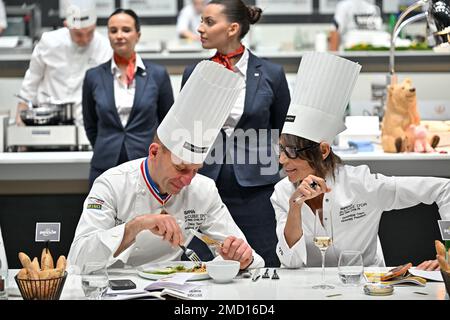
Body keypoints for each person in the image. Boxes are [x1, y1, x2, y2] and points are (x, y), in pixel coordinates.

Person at [68, 61, 264, 270]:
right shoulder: (112, 184)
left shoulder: (203, 189)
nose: (188, 180)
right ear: (154, 152)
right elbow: (79, 257)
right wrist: (136, 226)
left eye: (195, 170)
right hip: (114, 285)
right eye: (181, 168)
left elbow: (248, 256)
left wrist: (243, 257)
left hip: (175, 285)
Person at [271, 51, 450, 270]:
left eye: (290, 151)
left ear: (323, 150)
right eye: (280, 149)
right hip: (308, 289)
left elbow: (444, 189)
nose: (282, 159)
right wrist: (294, 207)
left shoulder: (362, 183)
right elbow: (290, 262)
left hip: (368, 287)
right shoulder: (283, 193)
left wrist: (448, 255)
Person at [181, 0, 291, 267]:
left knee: (264, 260)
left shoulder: (271, 74)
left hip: (257, 187)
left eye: (209, 22)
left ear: (232, 28)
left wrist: (272, 162)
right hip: (205, 183)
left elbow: (284, 131)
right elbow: (184, 128)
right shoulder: (194, 73)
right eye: (201, 21)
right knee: (203, 263)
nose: (200, 28)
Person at [82, 9, 174, 188]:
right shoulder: (93, 76)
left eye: (126, 30)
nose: (119, 36)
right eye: (113, 30)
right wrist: (107, 145)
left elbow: (167, 123)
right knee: (103, 215)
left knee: (148, 216)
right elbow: (90, 124)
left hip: (147, 166)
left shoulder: (157, 74)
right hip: (104, 165)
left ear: (137, 35)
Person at [15, 0, 112, 127]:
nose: (85, 39)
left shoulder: (105, 47)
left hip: (86, 122)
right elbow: (32, 80)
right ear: (67, 25)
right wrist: (21, 116)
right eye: (78, 35)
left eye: (90, 33)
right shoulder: (49, 42)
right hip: (48, 120)